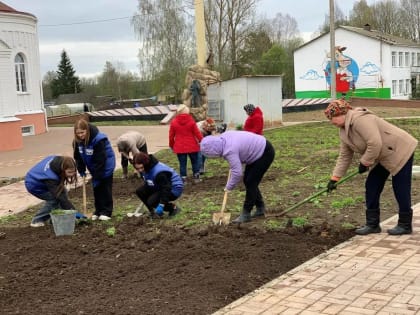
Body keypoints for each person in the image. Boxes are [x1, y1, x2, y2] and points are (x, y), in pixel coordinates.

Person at [325, 99, 418, 235]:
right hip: (383, 155)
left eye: (332, 118)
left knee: (400, 187)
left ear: (342, 113)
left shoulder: (361, 120)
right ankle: (373, 224)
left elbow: (374, 143)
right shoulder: (343, 131)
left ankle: (405, 225)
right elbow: (345, 156)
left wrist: (365, 162)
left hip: (400, 150)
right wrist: (335, 178)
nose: (331, 121)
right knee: (372, 185)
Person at [200, 130, 275, 223]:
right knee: (248, 180)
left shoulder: (229, 150)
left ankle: (246, 213)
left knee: (251, 182)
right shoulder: (223, 138)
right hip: (257, 149)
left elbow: (237, 172)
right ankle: (260, 208)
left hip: (264, 153)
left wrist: (229, 187)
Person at [73, 119, 116, 221]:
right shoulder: (77, 141)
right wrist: (81, 169)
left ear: (87, 130)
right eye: (77, 133)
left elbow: (100, 160)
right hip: (94, 166)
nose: (80, 135)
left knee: (104, 188)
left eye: (82, 132)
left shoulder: (98, 140)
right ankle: (98, 210)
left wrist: (96, 176)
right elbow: (78, 157)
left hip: (105, 166)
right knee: (96, 189)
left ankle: (106, 211)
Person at [25, 155, 77, 227]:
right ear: (63, 169)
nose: (72, 175)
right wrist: (72, 211)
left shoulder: (59, 161)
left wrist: (70, 209)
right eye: (69, 172)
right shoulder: (51, 176)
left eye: (73, 172)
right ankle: (37, 220)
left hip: (42, 180)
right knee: (54, 199)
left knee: (63, 192)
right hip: (34, 184)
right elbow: (59, 196)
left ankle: (54, 219)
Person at [132, 152, 183, 218]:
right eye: (137, 168)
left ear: (146, 163)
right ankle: (153, 212)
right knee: (140, 191)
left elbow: (166, 188)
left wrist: (161, 204)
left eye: (141, 167)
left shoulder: (159, 172)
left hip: (173, 189)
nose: (140, 170)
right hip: (158, 185)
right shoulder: (146, 168)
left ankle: (173, 208)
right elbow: (148, 182)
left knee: (151, 201)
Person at [169, 104, 203, 184]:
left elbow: (171, 136)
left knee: (182, 164)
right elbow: (197, 133)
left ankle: (183, 179)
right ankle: (196, 177)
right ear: (187, 111)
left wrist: (172, 145)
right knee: (195, 162)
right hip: (192, 145)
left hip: (180, 147)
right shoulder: (191, 121)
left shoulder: (174, 122)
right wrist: (203, 141)